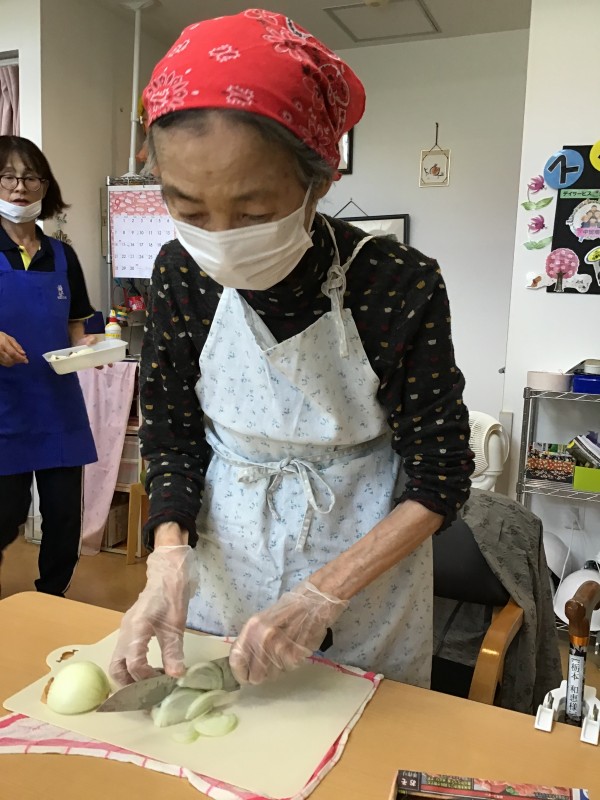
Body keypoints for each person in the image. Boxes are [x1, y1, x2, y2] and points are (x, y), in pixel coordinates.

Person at [110, 9, 474, 688]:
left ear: (319, 182)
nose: (220, 239)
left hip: (361, 567)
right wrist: (166, 557)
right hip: (227, 550)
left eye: (252, 213)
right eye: (188, 209)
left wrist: (324, 593)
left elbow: (441, 477)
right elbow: (173, 434)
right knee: (220, 719)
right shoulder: (179, 272)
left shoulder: (396, 283)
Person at [0, 135, 97, 596]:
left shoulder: (62, 255)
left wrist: (89, 346)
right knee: (5, 515)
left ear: (45, 186)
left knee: (63, 516)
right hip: (4, 408)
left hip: (58, 406)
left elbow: (76, 323)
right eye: (7, 177)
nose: (20, 187)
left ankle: (53, 596)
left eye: (31, 177)